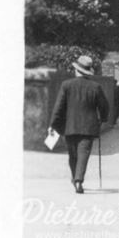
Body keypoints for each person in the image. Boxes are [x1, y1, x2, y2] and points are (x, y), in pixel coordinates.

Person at [48, 55, 108, 194]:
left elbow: (59, 107)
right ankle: (79, 180)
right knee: (83, 154)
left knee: (73, 155)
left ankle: (76, 178)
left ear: (76, 70)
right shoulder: (96, 87)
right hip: (89, 127)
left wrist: (53, 125)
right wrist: (103, 119)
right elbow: (104, 106)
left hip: (70, 127)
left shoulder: (66, 85)